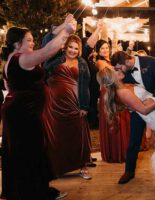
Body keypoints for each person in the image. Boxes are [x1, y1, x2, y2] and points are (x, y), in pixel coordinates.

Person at [1, 16, 75, 199]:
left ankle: (28, 190)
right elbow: (48, 51)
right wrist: (66, 30)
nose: (33, 43)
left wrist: (60, 28)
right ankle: (32, 193)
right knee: (29, 151)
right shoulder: (22, 58)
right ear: (17, 44)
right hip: (23, 114)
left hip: (22, 111)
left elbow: (10, 86)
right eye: (29, 40)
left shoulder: (12, 59)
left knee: (26, 150)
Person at [42, 16, 92, 180]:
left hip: (74, 104)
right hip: (53, 105)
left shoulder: (82, 63)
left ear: (79, 50)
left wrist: (84, 106)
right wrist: (64, 26)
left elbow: (85, 86)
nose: (72, 50)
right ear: (64, 47)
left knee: (78, 135)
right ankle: (56, 168)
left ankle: (83, 166)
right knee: (56, 136)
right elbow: (46, 42)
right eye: (70, 47)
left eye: (76, 48)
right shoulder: (55, 59)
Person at [110, 51, 155, 184]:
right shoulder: (123, 72)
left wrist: (152, 99)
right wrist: (129, 105)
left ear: (126, 61)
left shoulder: (149, 61)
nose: (118, 71)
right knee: (134, 139)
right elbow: (122, 90)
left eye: (119, 67)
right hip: (138, 109)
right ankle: (129, 171)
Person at [95, 39, 130, 163]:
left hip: (117, 90)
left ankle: (122, 150)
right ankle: (113, 153)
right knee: (112, 119)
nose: (105, 50)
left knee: (120, 119)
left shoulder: (111, 61)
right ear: (98, 51)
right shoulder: (100, 62)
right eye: (102, 48)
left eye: (106, 47)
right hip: (108, 91)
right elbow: (111, 72)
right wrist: (119, 66)